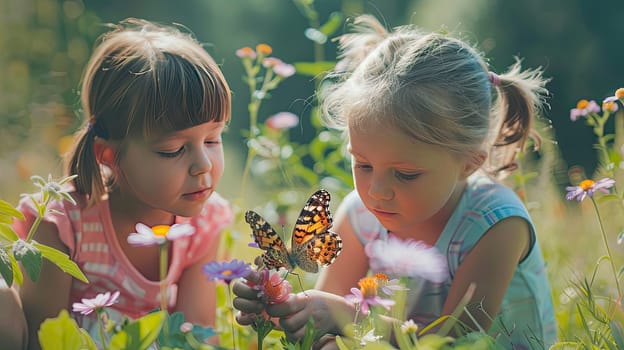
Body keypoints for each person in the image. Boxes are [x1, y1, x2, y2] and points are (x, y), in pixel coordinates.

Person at [233, 14, 557, 349]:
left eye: (405, 174)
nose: (375, 192)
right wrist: (282, 308)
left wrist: (346, 316)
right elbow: (324, 322)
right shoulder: (360, 216)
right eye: (363, 164)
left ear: (469, 162)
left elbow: (458, 341)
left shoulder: (496, 225)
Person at [9, 18, 233, 349]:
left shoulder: (204, 222)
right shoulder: (65, 223)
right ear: (109, 154)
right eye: (173, 150)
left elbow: (196, 334)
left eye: (213, 139)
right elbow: (45, 338)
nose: (203, 166)